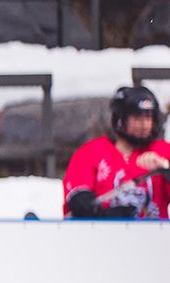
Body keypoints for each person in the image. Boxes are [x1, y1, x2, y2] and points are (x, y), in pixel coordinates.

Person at [62, 85, 170, 220]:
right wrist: (104, 216)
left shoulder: (163, 152)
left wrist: (166, 168)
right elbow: (79, 201)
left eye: (148, 118)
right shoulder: (92, 152)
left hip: (154, 238)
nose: (144, 124)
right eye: (137, 117)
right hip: (101, 237)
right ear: (120, 119)